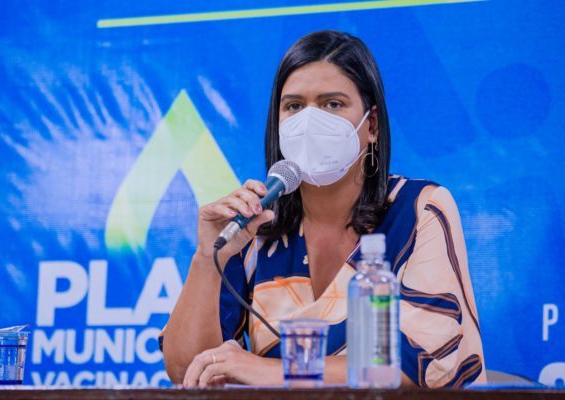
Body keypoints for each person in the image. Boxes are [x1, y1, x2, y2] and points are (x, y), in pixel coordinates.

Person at [160, 30, 486, 388]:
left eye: (332, 104)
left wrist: (270, 371)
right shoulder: (255, 228)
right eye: (294, 106)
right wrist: (208, 258)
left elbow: (422, 362)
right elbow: (188, 370)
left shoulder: (418, 208)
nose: (309, 122)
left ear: (372, 126)